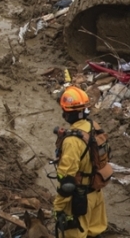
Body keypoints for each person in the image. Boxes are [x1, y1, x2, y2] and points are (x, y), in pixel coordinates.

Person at [53, 86, 108, 238]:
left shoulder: (72, 140)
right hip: (97, 194)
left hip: (80, 201)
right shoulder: (93, 126)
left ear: (66, 113)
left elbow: (67, 181)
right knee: (95, 233)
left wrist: (58, 207)